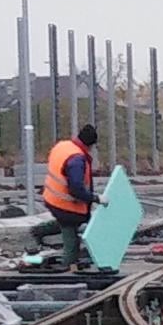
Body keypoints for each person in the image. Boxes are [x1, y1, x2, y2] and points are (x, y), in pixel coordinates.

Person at [33, 116, 102, 274]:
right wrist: (96, 198)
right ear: (90, 144)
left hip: (52, 198)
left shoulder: (64, 146)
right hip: (65, 204)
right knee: (71, 230)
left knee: (69, 224)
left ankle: (38, 232)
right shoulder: (77, 159)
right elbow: (76, 189)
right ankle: (67, 265)